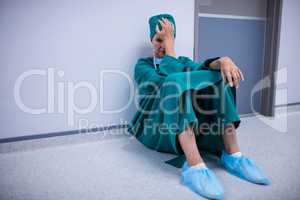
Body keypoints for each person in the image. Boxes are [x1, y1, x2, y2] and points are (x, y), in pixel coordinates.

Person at [127, 13, 270, 200]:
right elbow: (165, 83)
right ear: (151, 40)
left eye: (168, 39)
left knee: (216, 78)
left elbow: (201, 68)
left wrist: (222, 61)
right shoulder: (143, 66)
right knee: (175, 83)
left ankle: (233, 156)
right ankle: (195, 167)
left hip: (185, 126)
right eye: (159, 39)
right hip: (157, 127)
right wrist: (171, 50)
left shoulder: (183, 62)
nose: (162, 45)